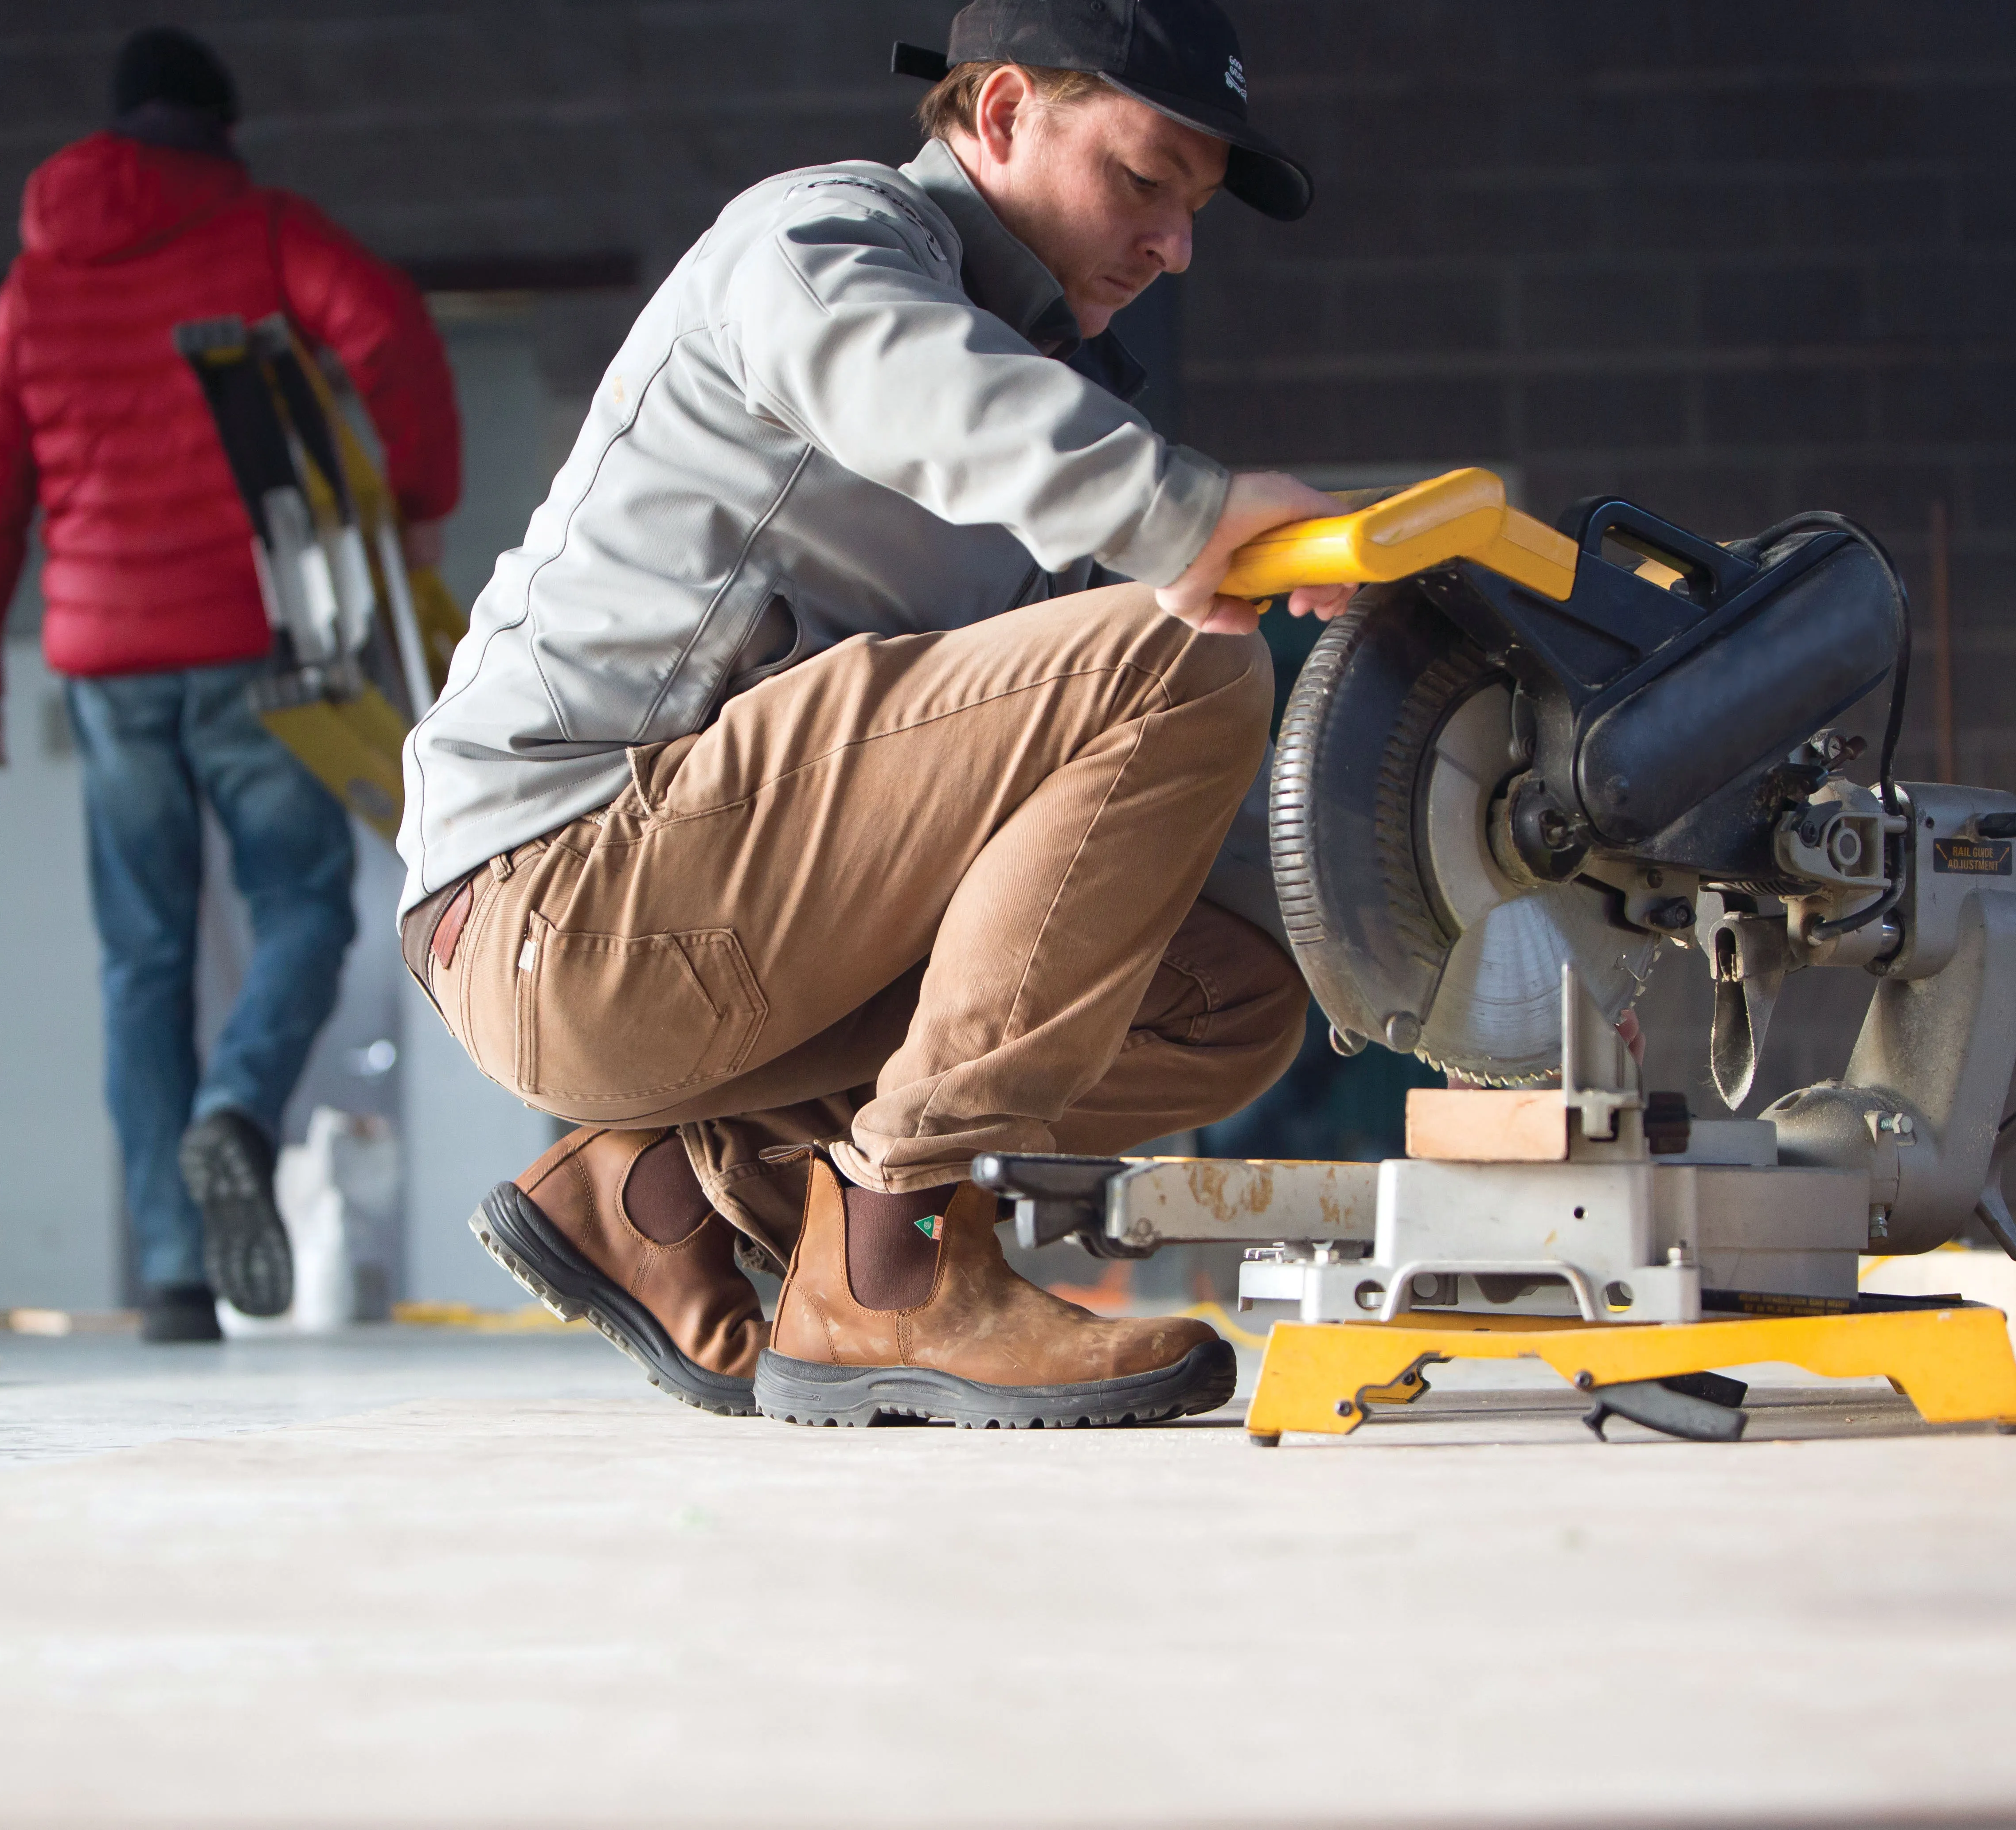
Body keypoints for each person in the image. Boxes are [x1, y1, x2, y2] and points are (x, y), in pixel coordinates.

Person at [398, 0, 1350, 1425]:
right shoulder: (824, 243)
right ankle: (895, 1263)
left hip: (707, 929)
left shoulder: (1051, 426)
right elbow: (914, 385)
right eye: (1148, 181)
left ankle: (661, 1186)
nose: (1174, 245)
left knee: (1226, 996)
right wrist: (1188, 515)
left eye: (1197, 211)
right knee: (1180, 656)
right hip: (559, 890)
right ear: (1008, 113)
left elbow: (1103, 848)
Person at [0, 28, 462, 1342]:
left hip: (105, 665)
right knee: (304, 911)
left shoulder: (36, 282)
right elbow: (385, 326)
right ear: (221, 129)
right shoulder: (260, 229)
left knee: (142, 962)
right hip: (251, 642)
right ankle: (237, 1107)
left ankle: (171, 1275)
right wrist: (412, 503)